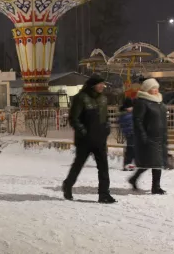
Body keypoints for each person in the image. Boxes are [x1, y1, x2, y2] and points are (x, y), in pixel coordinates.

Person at [62, 74, 116, 203]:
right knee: (78, 165)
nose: (103, 86)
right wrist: (83, 131)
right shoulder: (81, 98)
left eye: (103, 84)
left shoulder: (103, 99)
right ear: (93, 85)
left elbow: (105, 117)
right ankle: (68, 185)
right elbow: (74, 118)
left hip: (100, 139)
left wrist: (106, 128)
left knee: (103, 167)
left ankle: (104, 194)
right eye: (100, 84)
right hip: (85, 140)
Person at [128, 79, 168, 195]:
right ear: (147, 89)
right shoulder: (142, 102)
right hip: (150, 136)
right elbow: (137, 120)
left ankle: (134, 179)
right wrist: (143, 136)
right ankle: (155, 187)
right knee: (155, 162)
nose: (156, 90)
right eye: (153, 88)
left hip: (160, 136)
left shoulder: (159, 101)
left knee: (155, 162)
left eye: (157, 87)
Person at [118, 98, 135, 171]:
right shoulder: (125, 115)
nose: (131, 108)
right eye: (130, 107)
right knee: (131, 148)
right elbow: (128, 123)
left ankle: (129, 164)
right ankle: (127, 164)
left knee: (133, 148)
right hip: (130, 133)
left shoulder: (129, 114)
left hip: (132, 133)